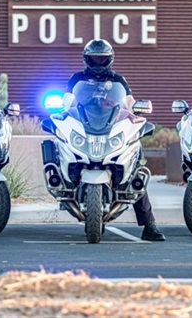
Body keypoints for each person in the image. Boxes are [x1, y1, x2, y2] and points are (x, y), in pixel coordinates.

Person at [66, 39, 165, 242]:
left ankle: (149, 224)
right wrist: (61, 111)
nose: (98, 63)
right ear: (86, 58)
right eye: (94, 58)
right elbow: (68, 102)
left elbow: (128, 103)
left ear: (109, 59)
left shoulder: (118, 80)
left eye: (102, 59)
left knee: (135, 167)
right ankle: (65, 186)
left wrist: (135, 113)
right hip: (85, 126)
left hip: (110, 126)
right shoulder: (77, 79)